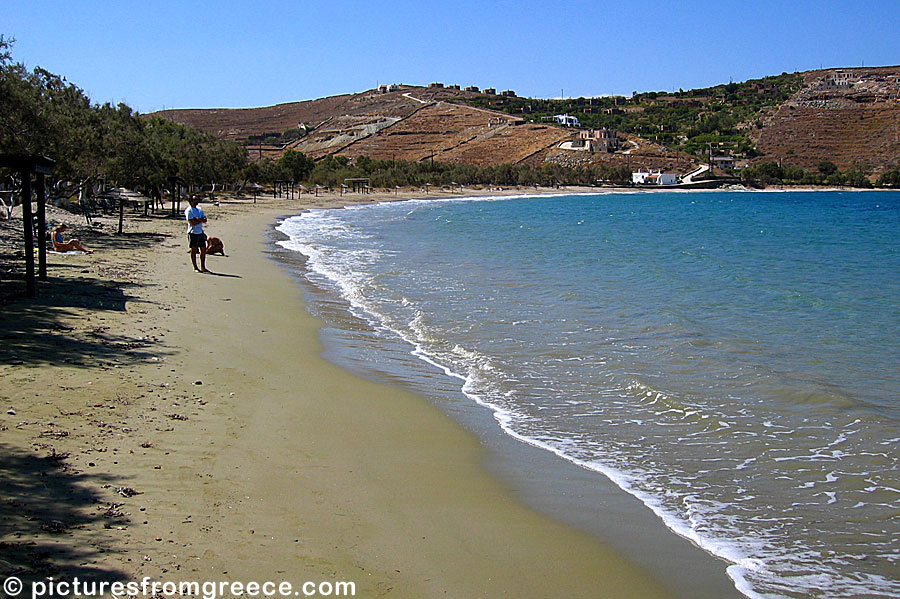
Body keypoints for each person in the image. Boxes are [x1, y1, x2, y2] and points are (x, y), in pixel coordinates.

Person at [185, 195, 208, 272]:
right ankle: (195, 267)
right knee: (194, 250)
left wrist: (198, 219)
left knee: (203, 249)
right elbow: (193, 222)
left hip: (200, 232)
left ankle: (203, 267)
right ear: (190, 201)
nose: (196, 201)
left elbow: (205, 219)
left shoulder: (199, 209)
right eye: (194, 200)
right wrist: (199, 220)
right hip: (193, 233)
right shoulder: (189, 211)